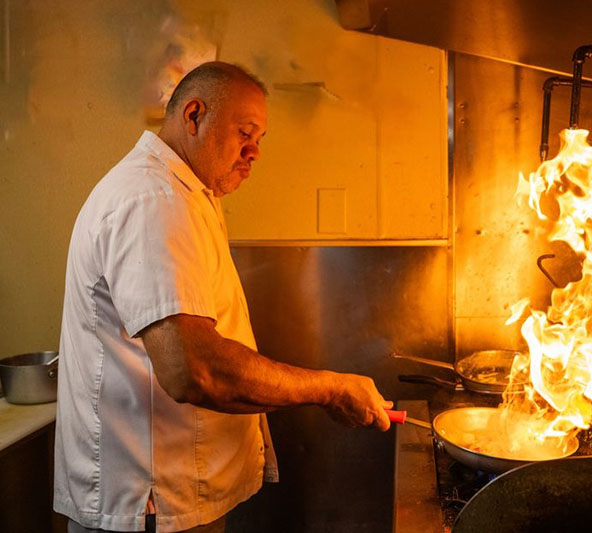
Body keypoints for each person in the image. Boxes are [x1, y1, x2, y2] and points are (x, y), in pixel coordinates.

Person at [54, 62, 392, 533]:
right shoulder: (153, 200)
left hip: (168, 500)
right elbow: (194, 369)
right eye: (245, 132)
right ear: (193, 115)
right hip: (152, 506)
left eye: (261, 138)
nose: (254, 151)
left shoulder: (185, 193)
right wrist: (329, 388)